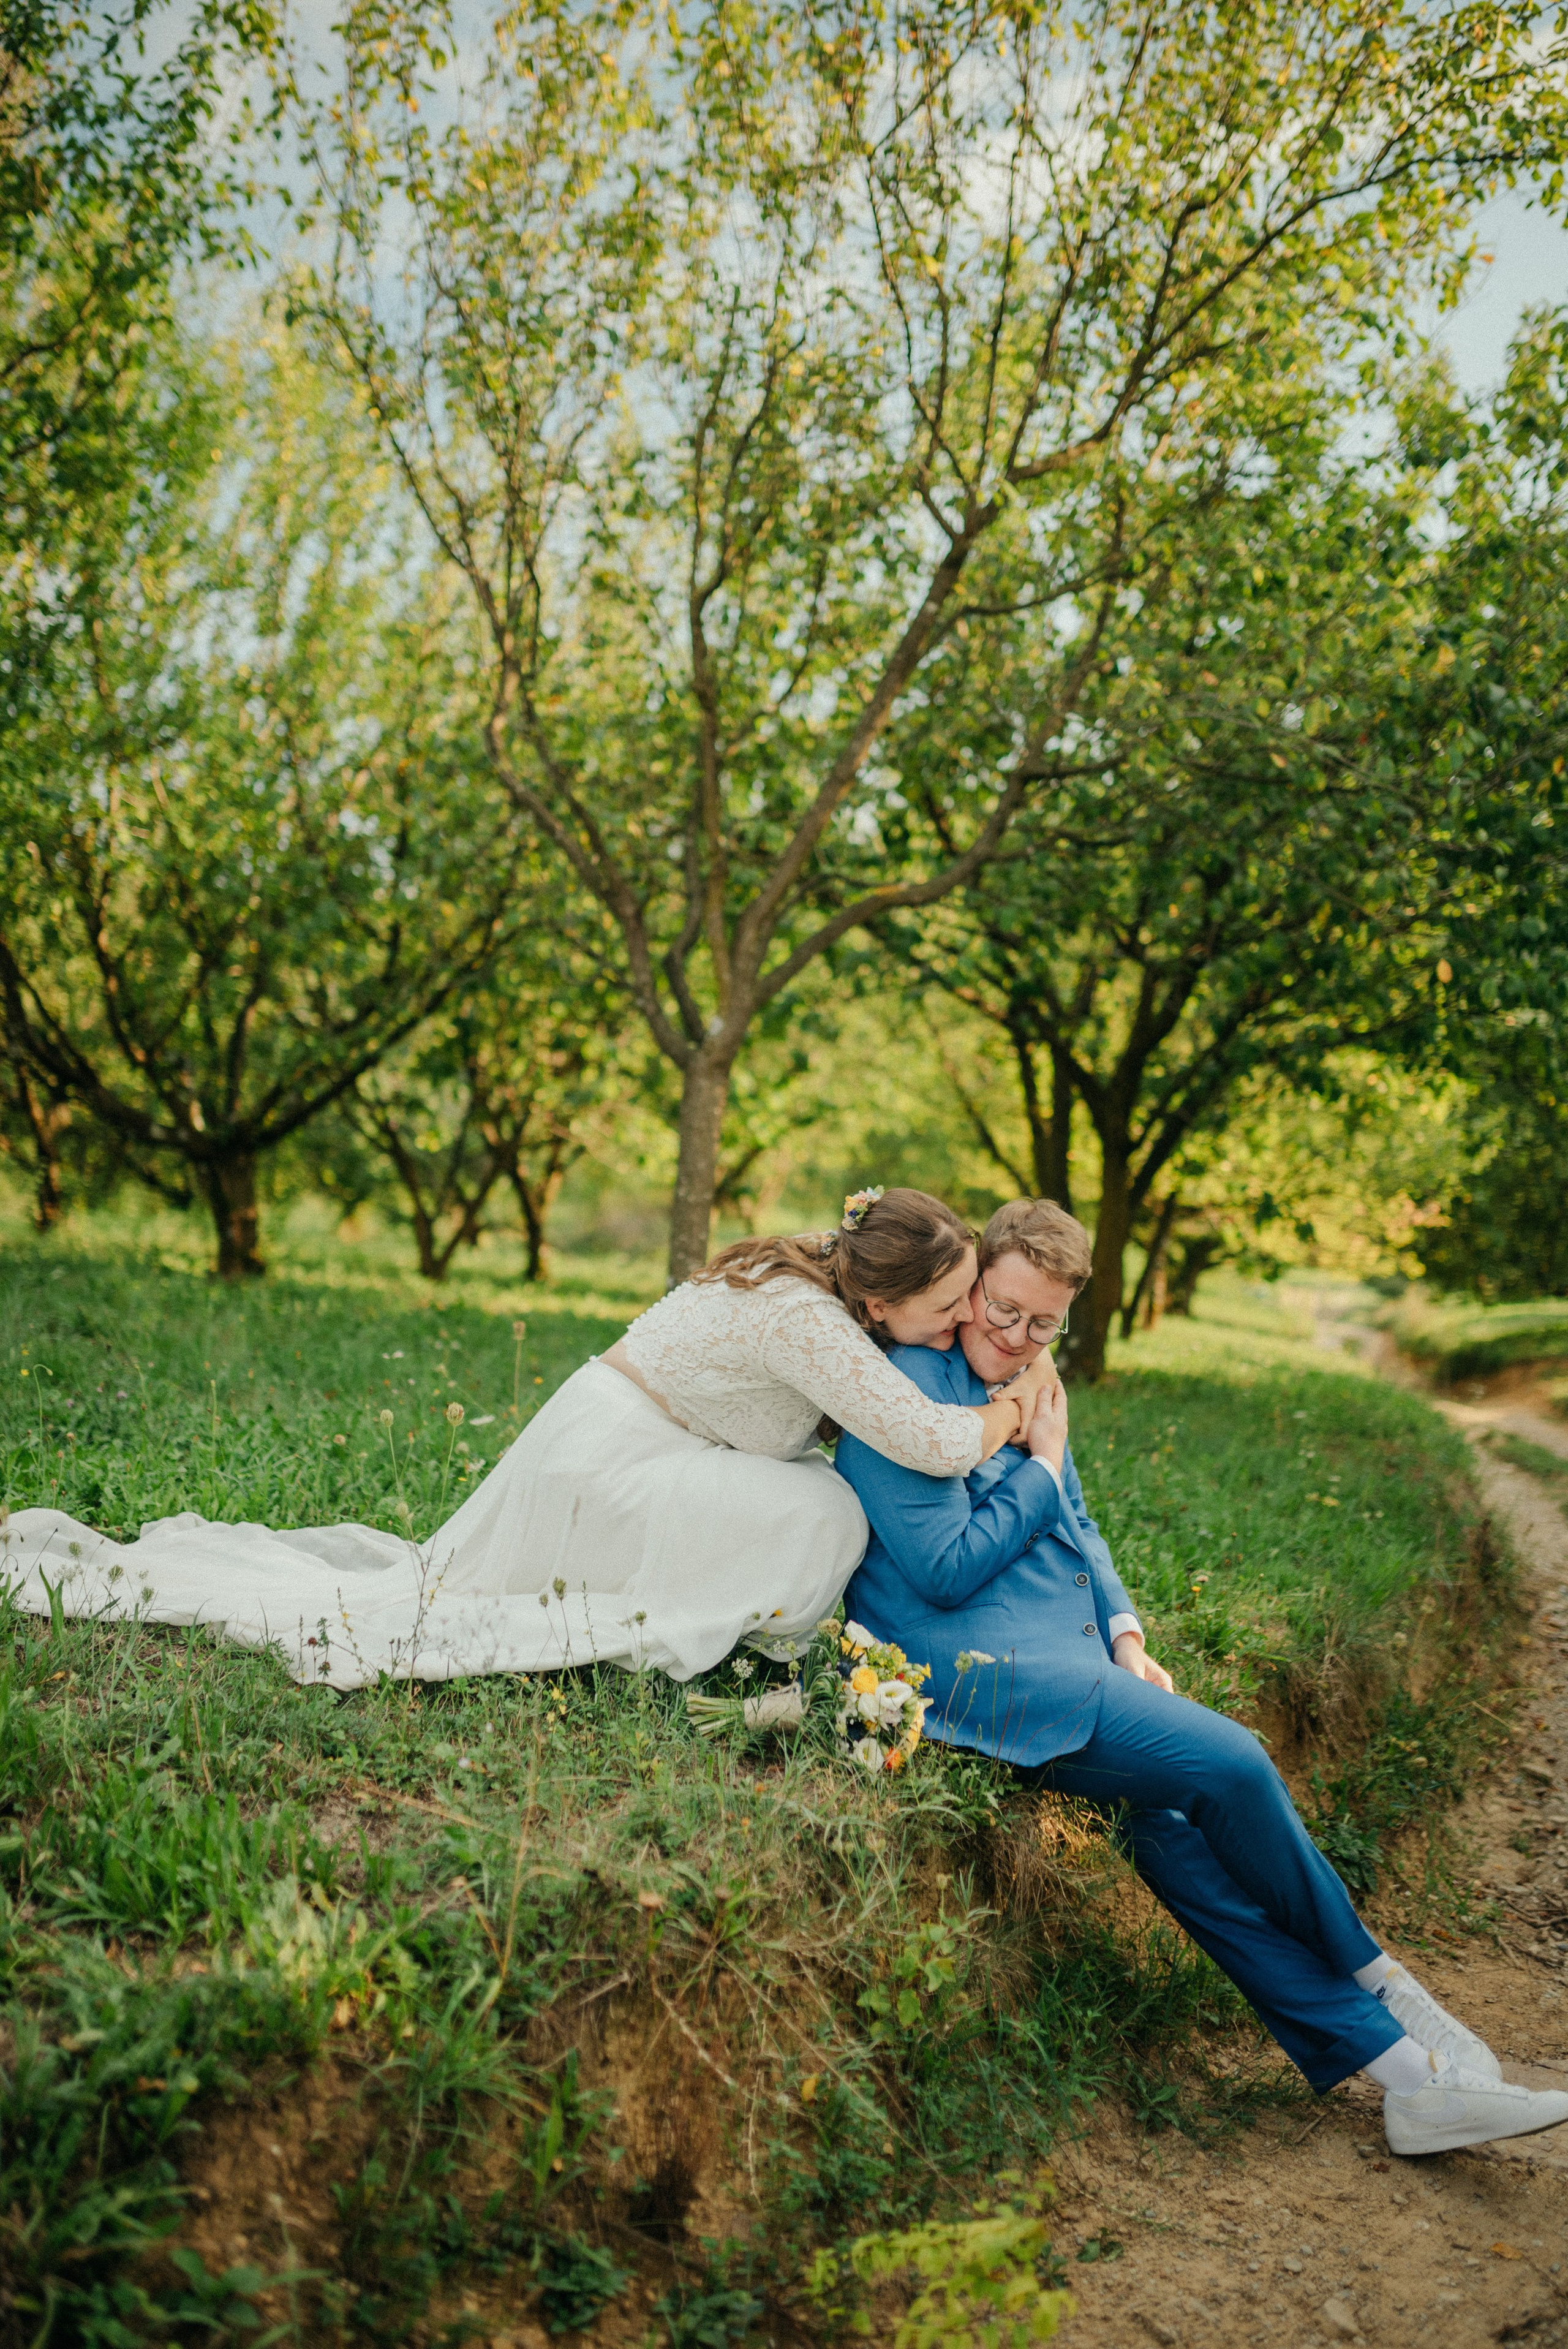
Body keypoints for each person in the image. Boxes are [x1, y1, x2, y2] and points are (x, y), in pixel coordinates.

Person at [833, 1195, 1568, 2160]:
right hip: (985, 1669)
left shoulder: (1030, 1376)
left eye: (1042, 1321)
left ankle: (1405, 2079)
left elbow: (1078, 1521)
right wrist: (1041, 1469)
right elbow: (945, 1566)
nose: (1014, 1337)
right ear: (969, 1288)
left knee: (1176, 1841)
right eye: (999, 1310)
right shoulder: (902, 1395)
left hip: (1065, 1647)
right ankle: (1385, 1979)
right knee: (1235, 1761)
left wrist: (1127, 1633)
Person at [1, 1189, 1050, 1692]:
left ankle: (714, 1615)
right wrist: (1021, 1411)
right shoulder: (807, 1316)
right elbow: (932, 1440)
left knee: (812, 1496)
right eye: (953, 1303)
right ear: (879, 1292)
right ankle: (695, 1625)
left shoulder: (820, 1289)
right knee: (821, 1506)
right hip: (611, 1460)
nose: (962, 1323)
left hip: (621, 1437)